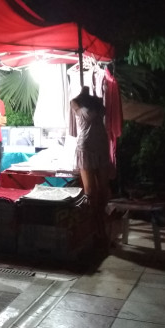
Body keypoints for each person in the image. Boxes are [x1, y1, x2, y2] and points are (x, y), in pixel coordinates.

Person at [71, 86, 113, 245]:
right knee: (90, 192)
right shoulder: (75, 101)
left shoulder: (97, 100)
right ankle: (95, 230)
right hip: (86, 148)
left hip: (101, 147)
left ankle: (101, 227)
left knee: (103, 191)